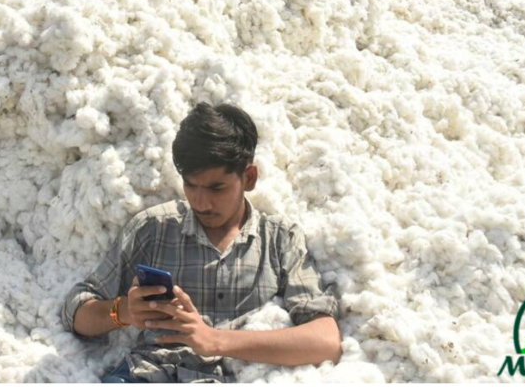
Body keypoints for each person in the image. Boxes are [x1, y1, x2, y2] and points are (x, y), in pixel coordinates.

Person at [61, 102, 342, 383]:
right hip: (148, 375)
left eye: (216, 188)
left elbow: (325, 341)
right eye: (190, 185)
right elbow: (76, 312)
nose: (201, 201)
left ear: (249, 177)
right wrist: (123, 311)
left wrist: (215, 340)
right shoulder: (153, 229)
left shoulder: (281, 240)